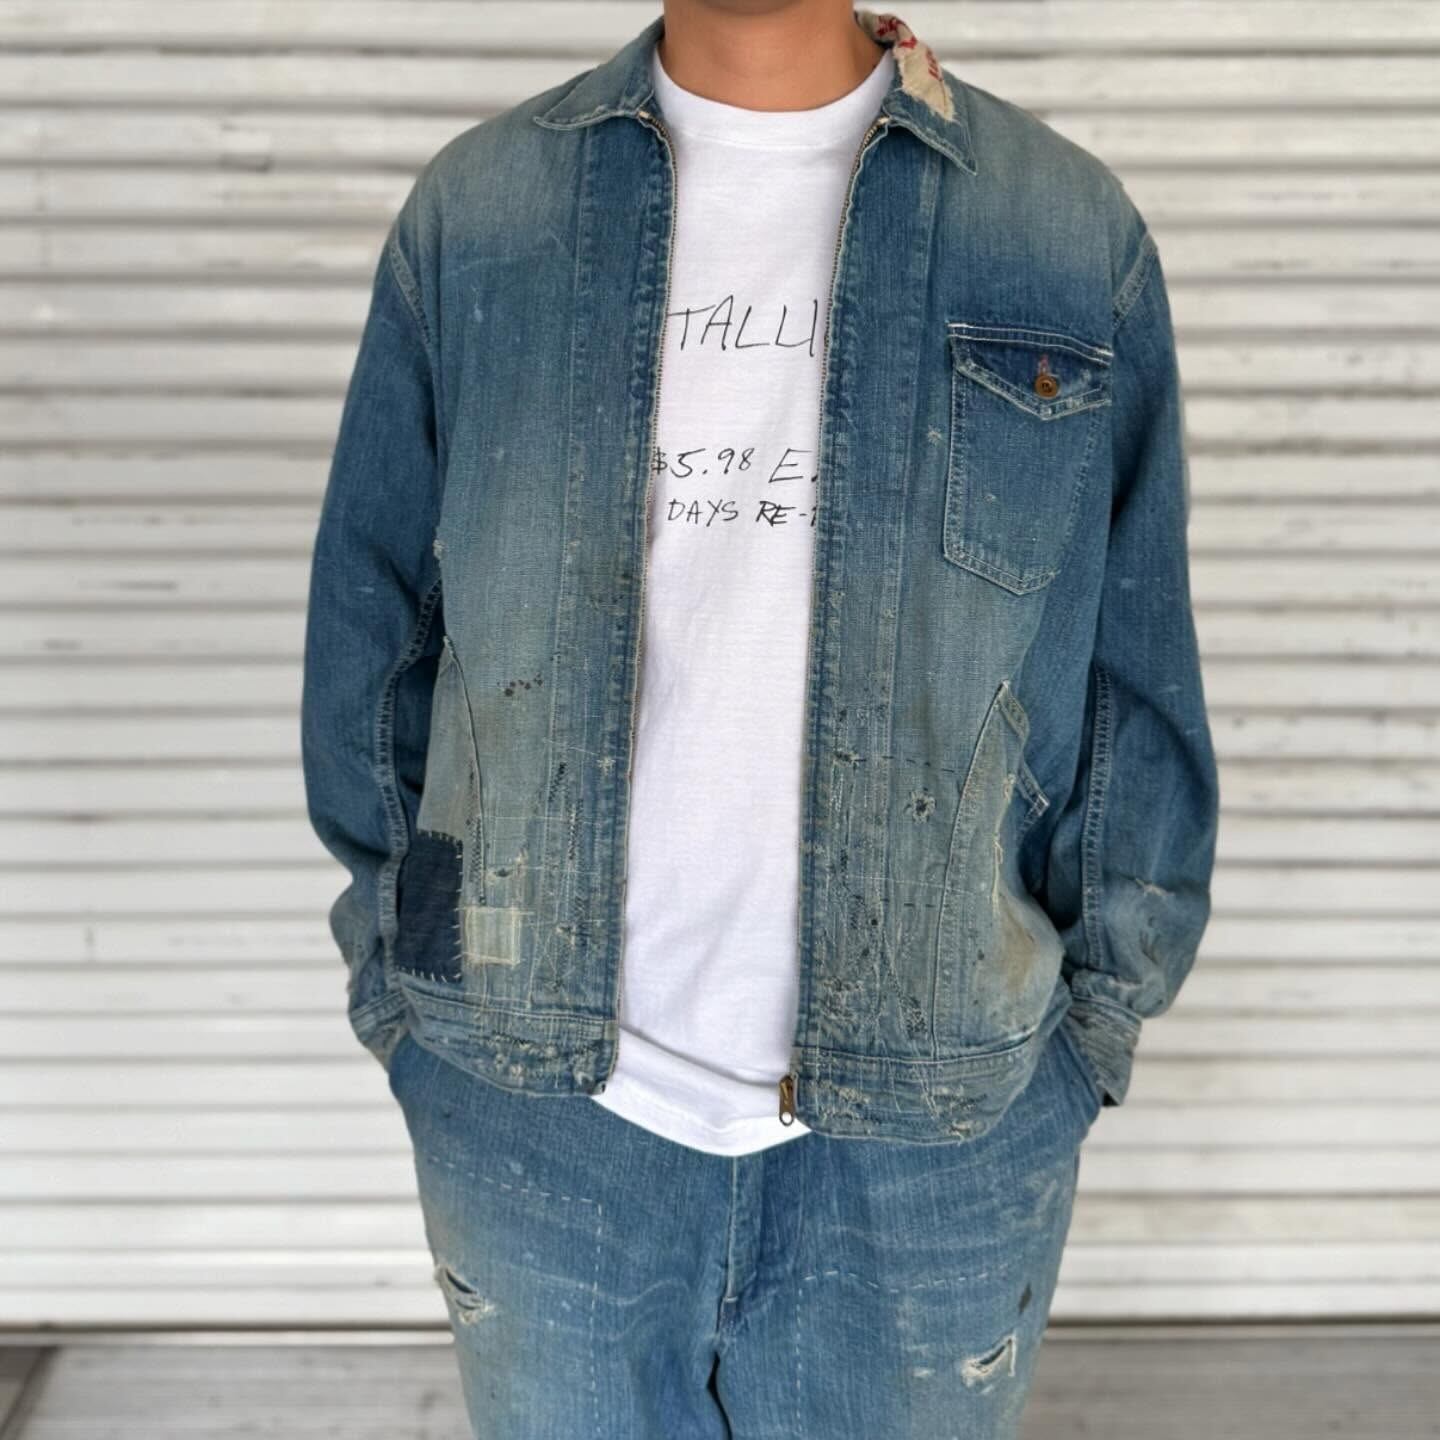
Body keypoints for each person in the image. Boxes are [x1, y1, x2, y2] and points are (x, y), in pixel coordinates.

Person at [300, 3, 1220, 1435]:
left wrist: (1091, 1031)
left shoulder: (1057, 232)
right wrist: (408, 1004)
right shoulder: (481, 218)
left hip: (935, 1141)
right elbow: (377, 639)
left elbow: (1131, 674)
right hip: (535, 1119)